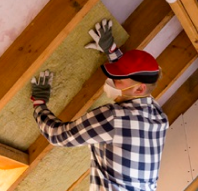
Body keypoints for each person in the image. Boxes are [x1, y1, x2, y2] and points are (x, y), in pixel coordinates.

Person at [30, 19, 169, 191]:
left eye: (119, 79)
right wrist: (112, 51)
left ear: (139, 89)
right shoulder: (159, 117)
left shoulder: (114, 118)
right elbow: (140, 80)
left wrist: (38, 104)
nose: (113, 81)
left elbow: (59, 136)